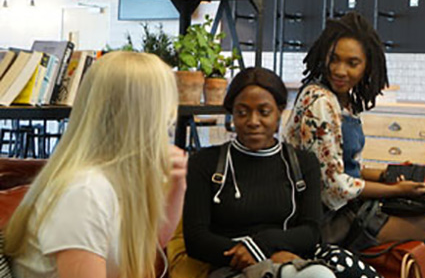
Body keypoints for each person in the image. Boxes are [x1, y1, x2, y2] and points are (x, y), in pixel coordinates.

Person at [5, 51, 188, 278]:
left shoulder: (110, 178)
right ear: (146, 119)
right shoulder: (85, 192)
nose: (169, 123)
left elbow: (149, 247)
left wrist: (177, 185)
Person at [283, 12, 425, 251]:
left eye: (352, 63)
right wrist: (394, 190)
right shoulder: (319, 102)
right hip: (323, 219)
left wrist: (387, 174)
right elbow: (336, 185)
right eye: (334, 59)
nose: (339, 70)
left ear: (368, 65)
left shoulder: (343, 101)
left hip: (343, 206)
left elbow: (343, 166)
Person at [182, 67, 336, 278]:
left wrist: (262, 246)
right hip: (229, 269)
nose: (253, 122)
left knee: (320, 274)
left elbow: (312, 231)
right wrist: (252, 257)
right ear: (232, 114)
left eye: (264, 112)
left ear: (279, 111)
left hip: (287, 262)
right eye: (242, 112)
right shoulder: (205, 163)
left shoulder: (302, 163)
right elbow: (195, 239)